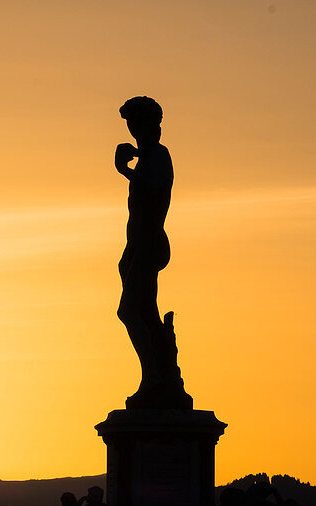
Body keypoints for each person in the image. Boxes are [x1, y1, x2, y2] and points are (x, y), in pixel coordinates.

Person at [115, 96, 190, 408]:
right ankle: (160, 375)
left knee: (130, 310)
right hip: (138, 245)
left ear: (152, 124)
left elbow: (154, 193)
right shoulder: (148, 157)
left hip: (149, 242)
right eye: (130, 123)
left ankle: (155, 379)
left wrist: (132, 167)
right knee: (143, 312)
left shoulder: (157, 155)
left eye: (137, 122)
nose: (133, 129)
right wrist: (125, 171)